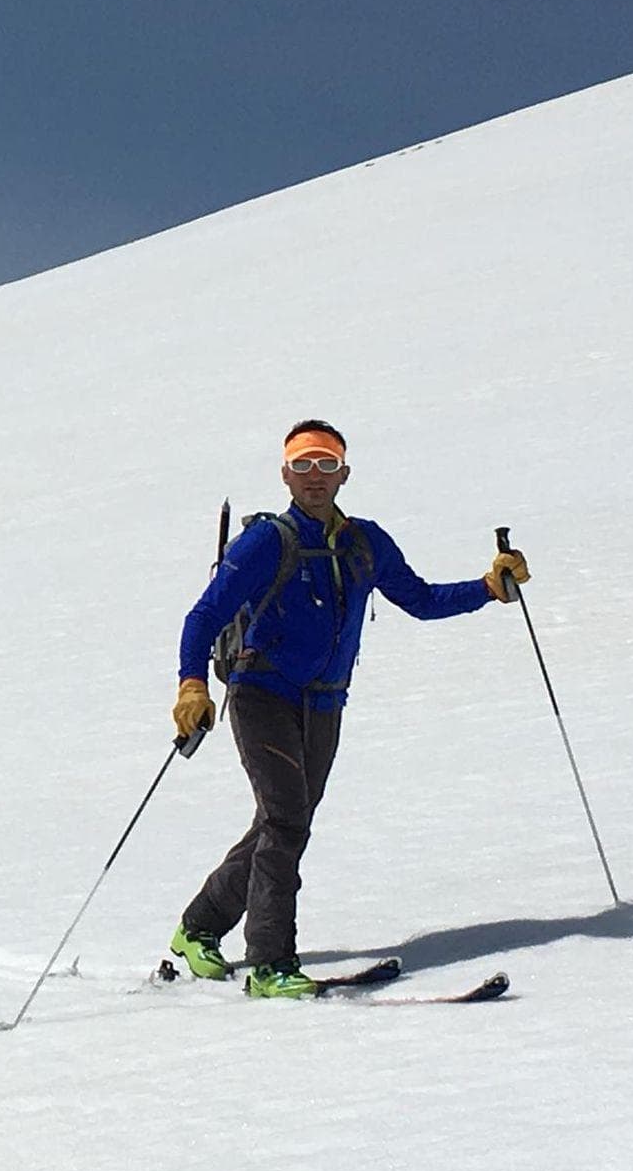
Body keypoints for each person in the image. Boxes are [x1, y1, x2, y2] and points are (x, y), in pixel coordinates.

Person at [167, 420, 530, 997]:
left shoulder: (365, 543)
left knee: (280, 821)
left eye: (326, 465)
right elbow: (204, 616)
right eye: (303, 465)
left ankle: (199, 927)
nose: (315, 476)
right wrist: (192, 686)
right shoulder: (267, 543)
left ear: (344, 474)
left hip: (324, 704)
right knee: (286, 820)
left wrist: (489, 588)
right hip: (262, 694)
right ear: (285, 475)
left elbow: (421, 599)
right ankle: (269, 964)